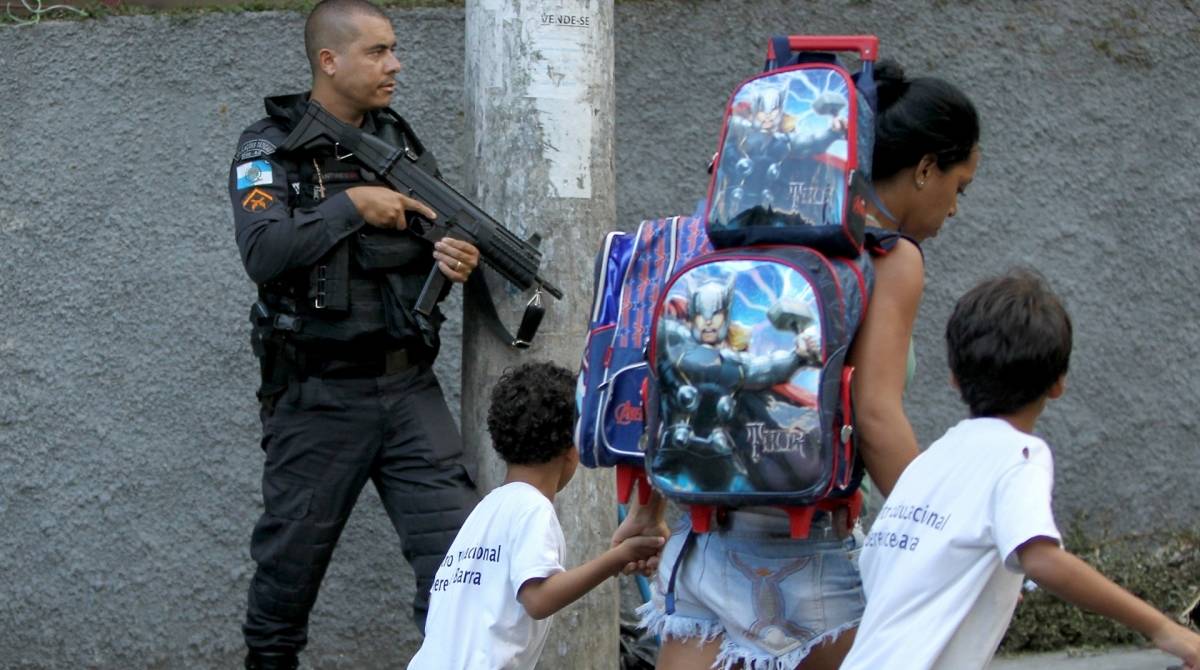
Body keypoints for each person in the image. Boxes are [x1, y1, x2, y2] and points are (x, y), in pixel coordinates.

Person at [630, 59, 983, 670]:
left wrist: (646, 509)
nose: (955, 208)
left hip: (701, 544)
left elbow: (663, 374)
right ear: (926, 169)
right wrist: (944, 532)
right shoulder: (889, 257)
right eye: (961, 186)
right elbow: (875, 418)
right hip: (808, 557)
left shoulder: (731, 234)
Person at [227, 1, 483, 668]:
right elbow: (264, 251)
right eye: (377, 51)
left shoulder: (399, 143)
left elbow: (433, 232)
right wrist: (351, 205)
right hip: (318, 398)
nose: (395, 64)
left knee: (461, 572)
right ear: (329, 61)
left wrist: (454, 258)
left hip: (408, 389)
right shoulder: (268, 147)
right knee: (285, 584)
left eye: (393, 48)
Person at [841, 270, 1200, 670]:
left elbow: (896, 569)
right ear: (1058, 383)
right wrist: (1165, 630)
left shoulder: (930, 462)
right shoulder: (1020, 456)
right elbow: (1042, 561)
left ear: (953, 378)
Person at [407, 362, 666, 669]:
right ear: (574, 448)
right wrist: (617, 559)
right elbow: (538, 599)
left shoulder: (487, 509)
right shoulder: (533, 509)